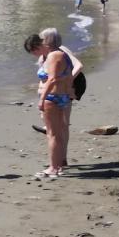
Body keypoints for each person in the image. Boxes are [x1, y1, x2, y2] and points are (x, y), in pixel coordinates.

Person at [30, 28, 74, 179]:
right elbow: (67, 76)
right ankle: (59, 165)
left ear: (47, 41)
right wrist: (69, 92)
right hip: (61, 96)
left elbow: (52, 78)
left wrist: (42, 98)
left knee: (52, 134)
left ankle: (53, 168)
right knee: (59, 133)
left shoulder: (54, 55)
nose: (40, 42)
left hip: (52, 97)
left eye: (42, 39)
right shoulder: (63, 55)